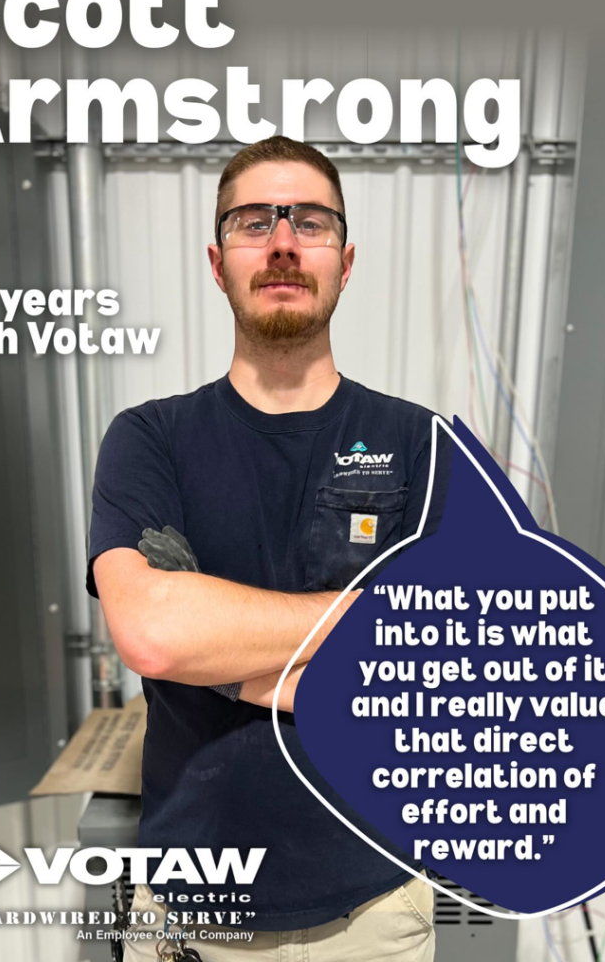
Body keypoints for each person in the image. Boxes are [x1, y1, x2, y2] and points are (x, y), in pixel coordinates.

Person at [88, 136, 452, 960]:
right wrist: (374, 617)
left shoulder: (423, 445)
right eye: (255, 222)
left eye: (310, 222)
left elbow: (436, 674)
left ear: (345, 263)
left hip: (375, 915)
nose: (283, 242)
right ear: (217, 263)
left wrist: (212, 652)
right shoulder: (149, 440)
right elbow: (154, 633)